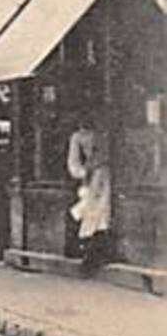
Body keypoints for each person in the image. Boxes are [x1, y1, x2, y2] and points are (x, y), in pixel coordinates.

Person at [67, 113, 111, 272]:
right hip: (92, 179)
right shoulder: (78, 137)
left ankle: (94, 253)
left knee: (100, 213)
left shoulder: (103, 134)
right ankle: (90, 254)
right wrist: (84, 172)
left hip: (103, 178)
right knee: (91, 212)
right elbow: (74, 163)